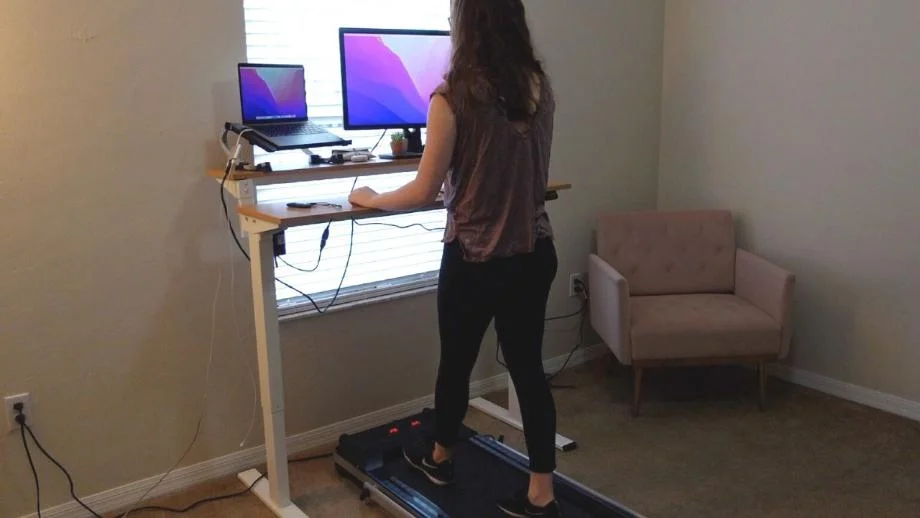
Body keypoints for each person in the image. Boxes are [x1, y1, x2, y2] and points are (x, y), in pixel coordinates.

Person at [348, 0, 560, 515]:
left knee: (456, 365)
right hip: (534, 252)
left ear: (468, 25)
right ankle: (542, 494)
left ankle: (440, 457)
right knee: (528, 370)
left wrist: (370, 198)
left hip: (475, 258)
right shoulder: (538, 88)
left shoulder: (452, 98)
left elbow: (425, 190)